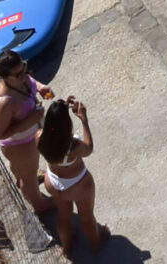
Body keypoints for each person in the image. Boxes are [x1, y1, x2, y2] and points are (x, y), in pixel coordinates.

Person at [37, 98, 104, 252]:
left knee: (63, 215)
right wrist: (84, 119)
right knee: (86, 218)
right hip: (77, 186)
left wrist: (62, 107)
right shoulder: (74, 146)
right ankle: (95, 244)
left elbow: (52, 129)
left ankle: (66, 247)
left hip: (52, 183)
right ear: (67, 126)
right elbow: (89, 148)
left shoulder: (39, 138)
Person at [0, 52, 51, 216]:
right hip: (19, 145)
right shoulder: (4, 102)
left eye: (23, 68)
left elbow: (29, 81)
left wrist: (39, 87)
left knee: (25, 171)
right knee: (29, 178)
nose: (23, 75)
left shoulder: (20, 78)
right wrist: (30, 120)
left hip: (29, 137)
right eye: (17, 74)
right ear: (5, 77)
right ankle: (39, 205)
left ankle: (21, 178)